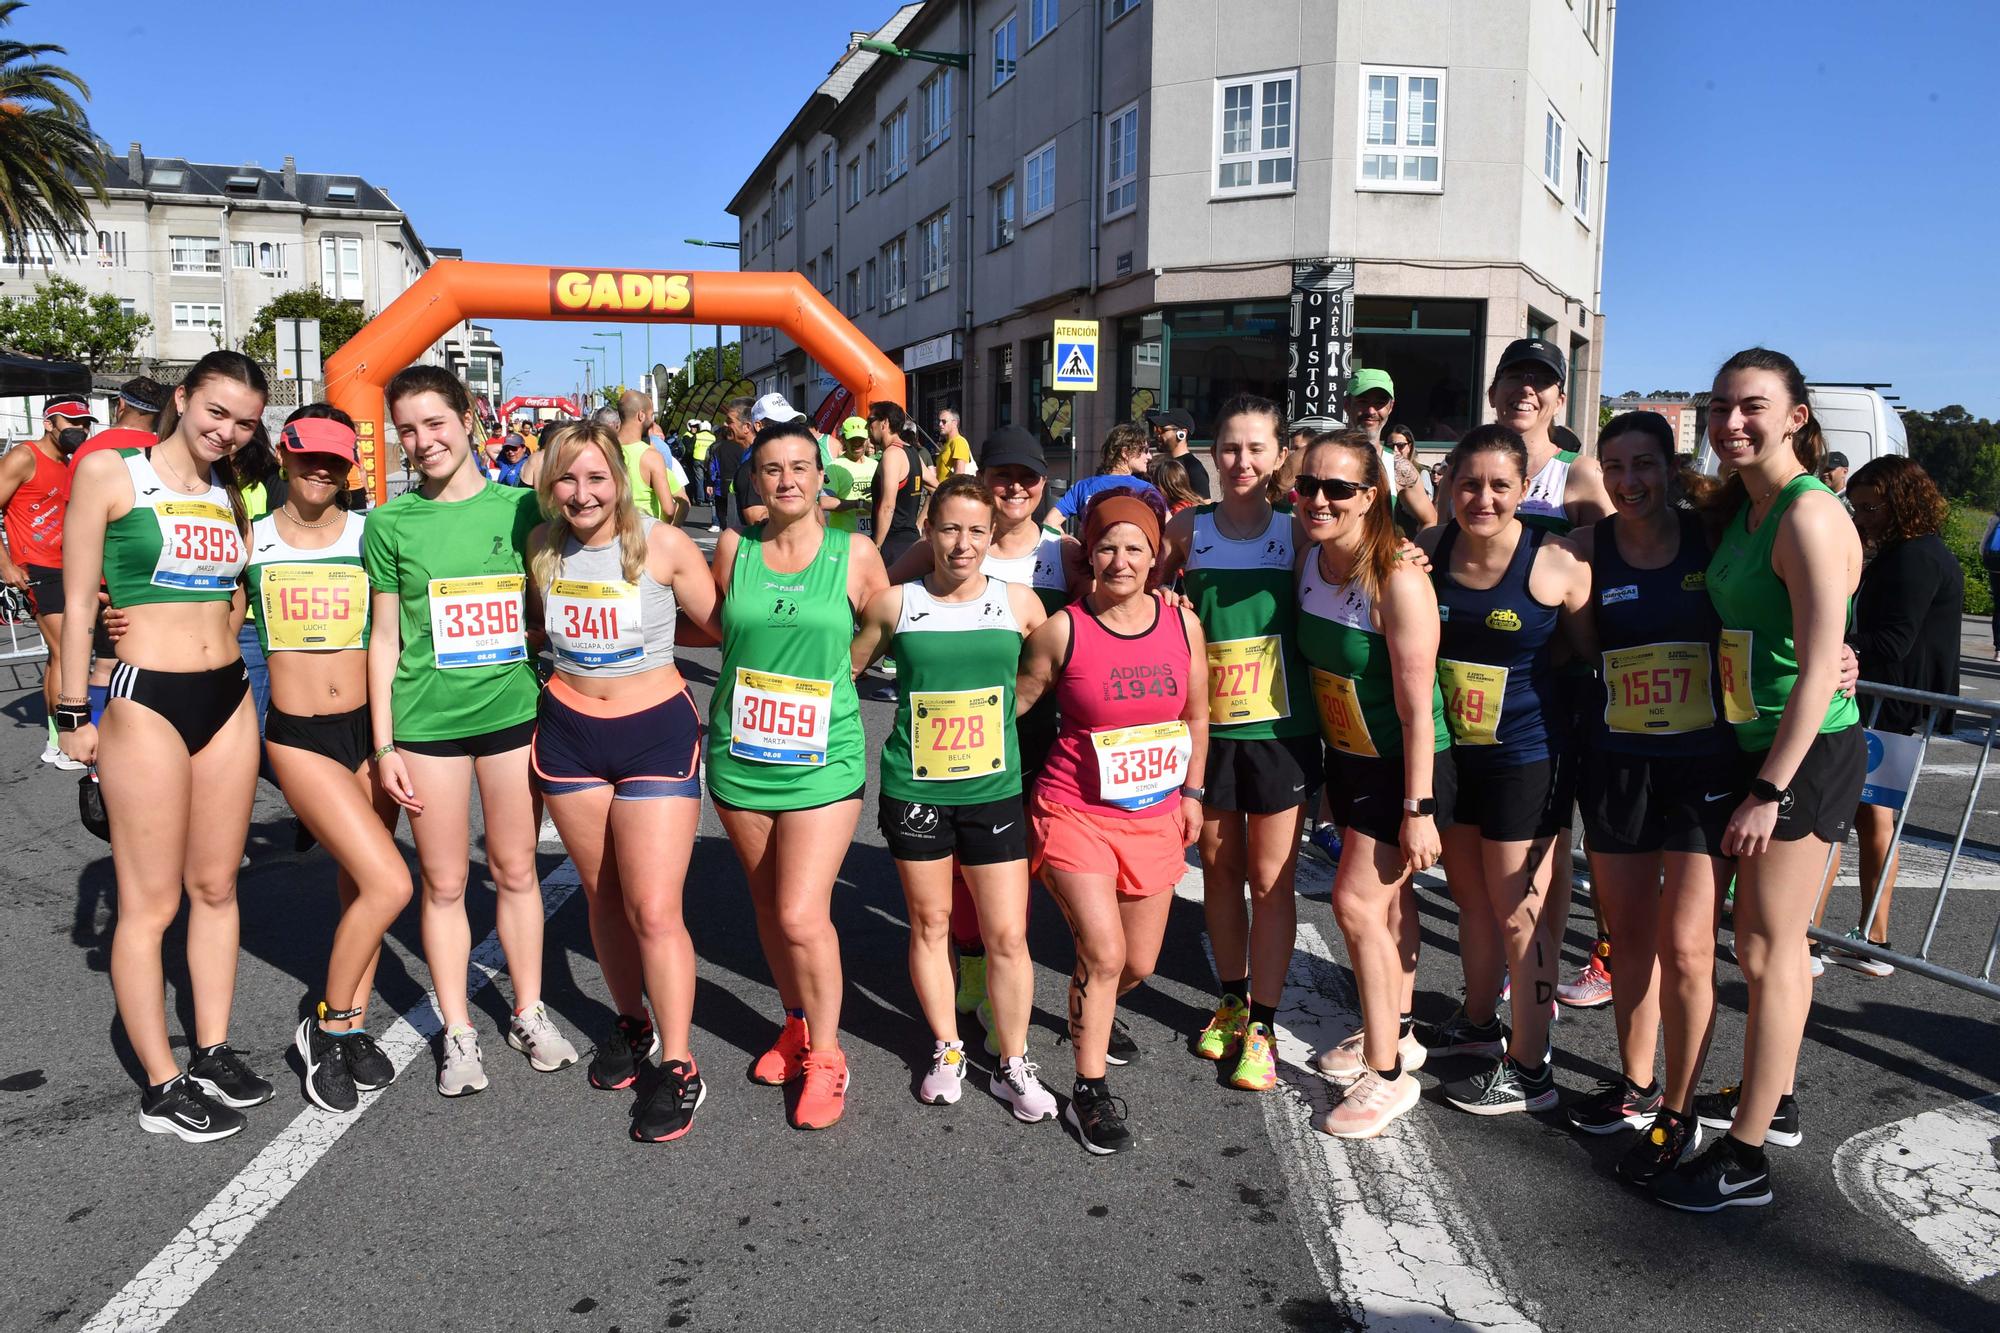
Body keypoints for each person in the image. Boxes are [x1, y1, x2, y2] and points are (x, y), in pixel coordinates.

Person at [1658, 348, 1864, 1212]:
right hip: (1751, 743)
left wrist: (1770, 790)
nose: (1731, 422)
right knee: (1751, 944)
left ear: (1796, 417)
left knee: (1774, 949)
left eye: (1752, 407)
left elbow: (1822, 668)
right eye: (1718, 407)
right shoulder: (1743, 510)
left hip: (1800, 757)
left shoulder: (1808, 514)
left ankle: (1745, 1159)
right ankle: (1763, 1103)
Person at [56, 351, 276, 1141]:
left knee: (217, 888)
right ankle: (160, 1081)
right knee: (150, 905)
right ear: (182, 398)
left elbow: (234, 598)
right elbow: (79, 602)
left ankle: (212, 1047)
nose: (228, 430)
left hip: (226, 700)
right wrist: (71, 713)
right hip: (145, 702)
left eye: (245, 420)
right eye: (216, 411)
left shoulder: (230, 494)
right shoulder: (115, 475)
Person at [365, 365, 578, 1097]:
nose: (422, 441)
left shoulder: (524, 510)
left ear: (468, 421)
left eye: (435, 423)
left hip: (514, 716)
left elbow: (565, 602)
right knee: (447, 881)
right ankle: (457, 1030)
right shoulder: (391, 523)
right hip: (427, 724)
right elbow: (385, 637)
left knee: (518, 872)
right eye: (408, 431)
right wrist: (384, 741)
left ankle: (527, 1009)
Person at [527, 421, 719, 1141]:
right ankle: (632, 1024)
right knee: (604, 897)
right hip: (572, 736)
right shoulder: (542, 546)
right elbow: (542, 629)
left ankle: (679, 1063)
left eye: (596, 477)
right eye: (568, 479)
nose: (582, 492)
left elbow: (724, 622)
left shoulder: (663, 545)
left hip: (653, 734)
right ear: (551, 484)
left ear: (620, 478)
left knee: (655, 907)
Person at [1559, 412, 1736, 1182]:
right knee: (1627, 937)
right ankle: (1636, 1084)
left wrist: (1842, 651)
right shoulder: (1588, 548)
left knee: (1689, 945)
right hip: (1621, 762)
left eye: (1644, 464)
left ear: (1670, 466)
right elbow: (1582, 646)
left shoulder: (1712, 536)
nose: (1630, 481)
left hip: (1705, 767)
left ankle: (1681, 1107)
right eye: (1615, 466)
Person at [852, 475, 1059, 1119]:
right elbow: (843, 673)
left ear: (992, 536)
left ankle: (1013, 1062)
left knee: (1006, 933)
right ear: (928, 532)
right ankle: (947, 1048)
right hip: (916, 789)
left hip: (994, 791)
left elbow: (1043, 675)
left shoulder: (1022, 606)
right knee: (932, 924)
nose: (963, 543)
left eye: (976, 531)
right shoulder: (894, 604)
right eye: (950, 529)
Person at [708, 416, 889, 1130]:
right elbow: (716, 630)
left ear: (823, 479)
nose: (786, 480)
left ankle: (828, 1052)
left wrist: (834, 680)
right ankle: (793, 1020)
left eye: (799, 468)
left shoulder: (856, 555)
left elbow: (878, 630)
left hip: (824, 760)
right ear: (757, 480)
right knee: (766, 908)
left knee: (799, 911)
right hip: (740, 756)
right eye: (772, 469)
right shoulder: (732, 549)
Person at [1016, 489, 1209, 1154]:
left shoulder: (1183, 624)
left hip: (1155, 815)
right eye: (1107, 545)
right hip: (1073, 810)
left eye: (1136, 547)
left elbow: (1198, 716)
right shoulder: (1062, 629)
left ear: (1156, 556)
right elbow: (1014, 705)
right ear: (1088, 553)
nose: (1121, 558)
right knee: (1104, 954)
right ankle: (1089, 1090)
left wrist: (1194, 792)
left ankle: (1091, 1003)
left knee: (1139, 963)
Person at [1416, 424, 1592, 1116]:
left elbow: (1587, 656)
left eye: (1498, 485)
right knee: (1472, 900)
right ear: (1448, 485)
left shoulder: (1556, 563)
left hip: (1527, 756)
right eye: (1468, 483)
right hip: (1456, 753)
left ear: (1525, 490)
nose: (1482, 497)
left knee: (1522, 914)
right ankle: (1480, 1019)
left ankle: (1532, 1065)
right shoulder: (1430, 550)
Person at [243, 410, 413, 1112]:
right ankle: (327, 1024)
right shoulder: (247, 540)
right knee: (389, 883)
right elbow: (208, 623)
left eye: (334, 461)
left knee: (358, 885)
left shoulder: (370, 534)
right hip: (298, 736)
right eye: (308, 456)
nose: (321, 470)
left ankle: (350, 1028)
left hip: (370, 732)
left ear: (352, 468)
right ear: (285, 457)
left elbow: (403, 624)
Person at [1158, 394, 1319, 1095]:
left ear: (1281, 455)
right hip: (1210, 730)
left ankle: (1264, 1022)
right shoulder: (1188, 529)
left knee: (1270, 877)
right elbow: (1151, 595)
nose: (1242, 461)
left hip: (1282, 733)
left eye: (1256, 448)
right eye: (1229, 447)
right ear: (1211, 453)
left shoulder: (1299, 531)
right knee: (1218, 869)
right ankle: (1230, 996)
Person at [1294, 430, 1448, 1137]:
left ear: (1372, 496)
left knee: (1357, 904)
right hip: (1350, 757)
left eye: (1339, 489)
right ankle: (1396, 1029)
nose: (1319, 500)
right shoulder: (1309, 559)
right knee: (1385, 908)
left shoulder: (1399, 580)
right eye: (1308, 486)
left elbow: (1419, 712)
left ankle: (1387, 1075)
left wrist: (1420, 808)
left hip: (1402, 764)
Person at [1817, 456, 1960, 978]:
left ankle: (1869, 938)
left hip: (1888, 701)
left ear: (1901, 501)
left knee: (1865, 815)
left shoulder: (1914, 558)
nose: (1863, 517)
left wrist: (1835, 644)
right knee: (1864, 815)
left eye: (1872, 507)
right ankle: (1866, 937)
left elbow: (1894, 640)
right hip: (1892, 698)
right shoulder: (1912, 551)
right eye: (1858, 507)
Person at [1, 398, 90, 768]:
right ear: (49, 422)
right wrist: (4, 563)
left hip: (72, 567)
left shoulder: (69, 463)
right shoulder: (24, 457)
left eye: (85, 423)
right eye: (71, 421)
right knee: (66, 653)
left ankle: (57, 738)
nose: (80, 429)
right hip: (38, 567)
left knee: (62, 656)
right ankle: (62, 737)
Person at [1342, 370, 1436, 529]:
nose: (1371, 411)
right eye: (1363, 401)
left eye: (1380, 403)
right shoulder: (1324, 455)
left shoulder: (1397, 466)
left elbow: (1431, 520)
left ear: (1390, 407)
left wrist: (1412, 551)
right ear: (1346, 404)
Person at [1052, 422, 1160, 528]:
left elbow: (1050, 522)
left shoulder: (1083, 487)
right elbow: (1168, 529)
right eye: (1145, 451)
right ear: (1125, 453)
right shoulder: (1146, 490)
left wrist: (1070, 544)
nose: (1149, 457)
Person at [868, 401, 927, 567]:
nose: (868, 427)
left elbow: (888, 506)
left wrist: (876, 546)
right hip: (912, 542)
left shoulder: (892, 454)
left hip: (891, 545)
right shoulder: (911, 452)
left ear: (885, 423)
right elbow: (937, 488)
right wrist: (918, 523)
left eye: (870, 420)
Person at [614, 391, 685, 525]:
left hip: (612, 532)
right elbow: (668, 510)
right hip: (644, 533)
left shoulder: (605, 448)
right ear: (641, 415)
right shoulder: (651, 456)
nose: (652, 420)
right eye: (651, 415)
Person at [826, 416, 878, 536]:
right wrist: (859, 504)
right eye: (852, 439)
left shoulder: (875, 465)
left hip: (872, 536)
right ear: (843, 440)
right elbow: (825, 501)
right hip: (844, 538)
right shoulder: (834, 466)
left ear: (867, 439)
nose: (857, 443)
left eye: (860, 439)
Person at [709, 397, 755, 533]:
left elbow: (757, 516)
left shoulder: (758, 459)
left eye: (730, 421)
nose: (725, 424)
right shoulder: (747, 454)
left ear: (746, 427)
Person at [1144, 407, 1209, 499]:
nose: (1157, 435)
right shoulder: (1158, 463)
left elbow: (1204, 508)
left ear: (1182, 433)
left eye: (1162, 430)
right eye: (1156, 430)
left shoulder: (1193, 468)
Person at [934, 406, 974, 477]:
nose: (940, 424)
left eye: (944, 421)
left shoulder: (958, 442)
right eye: (939, 421)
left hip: (950, 488)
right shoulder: (948, 443)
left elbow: (959, 476)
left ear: (954, 423)